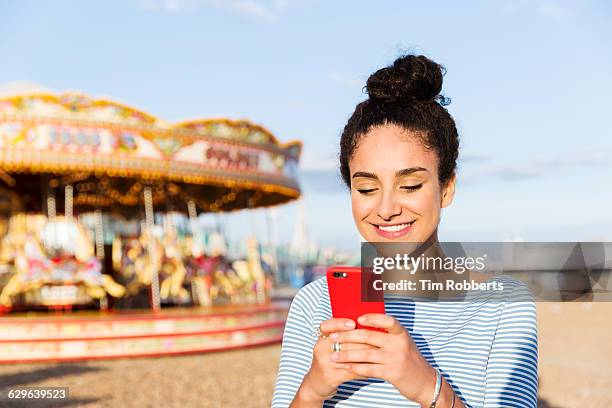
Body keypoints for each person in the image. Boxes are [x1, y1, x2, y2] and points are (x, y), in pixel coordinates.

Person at [271, 54, 538, 407]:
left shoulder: (501, 305)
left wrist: (424, 384)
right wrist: (312, 390)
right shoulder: (315, 303)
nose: (386, 208)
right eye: (366, 189)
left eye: (410, 185)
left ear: (447, 188)